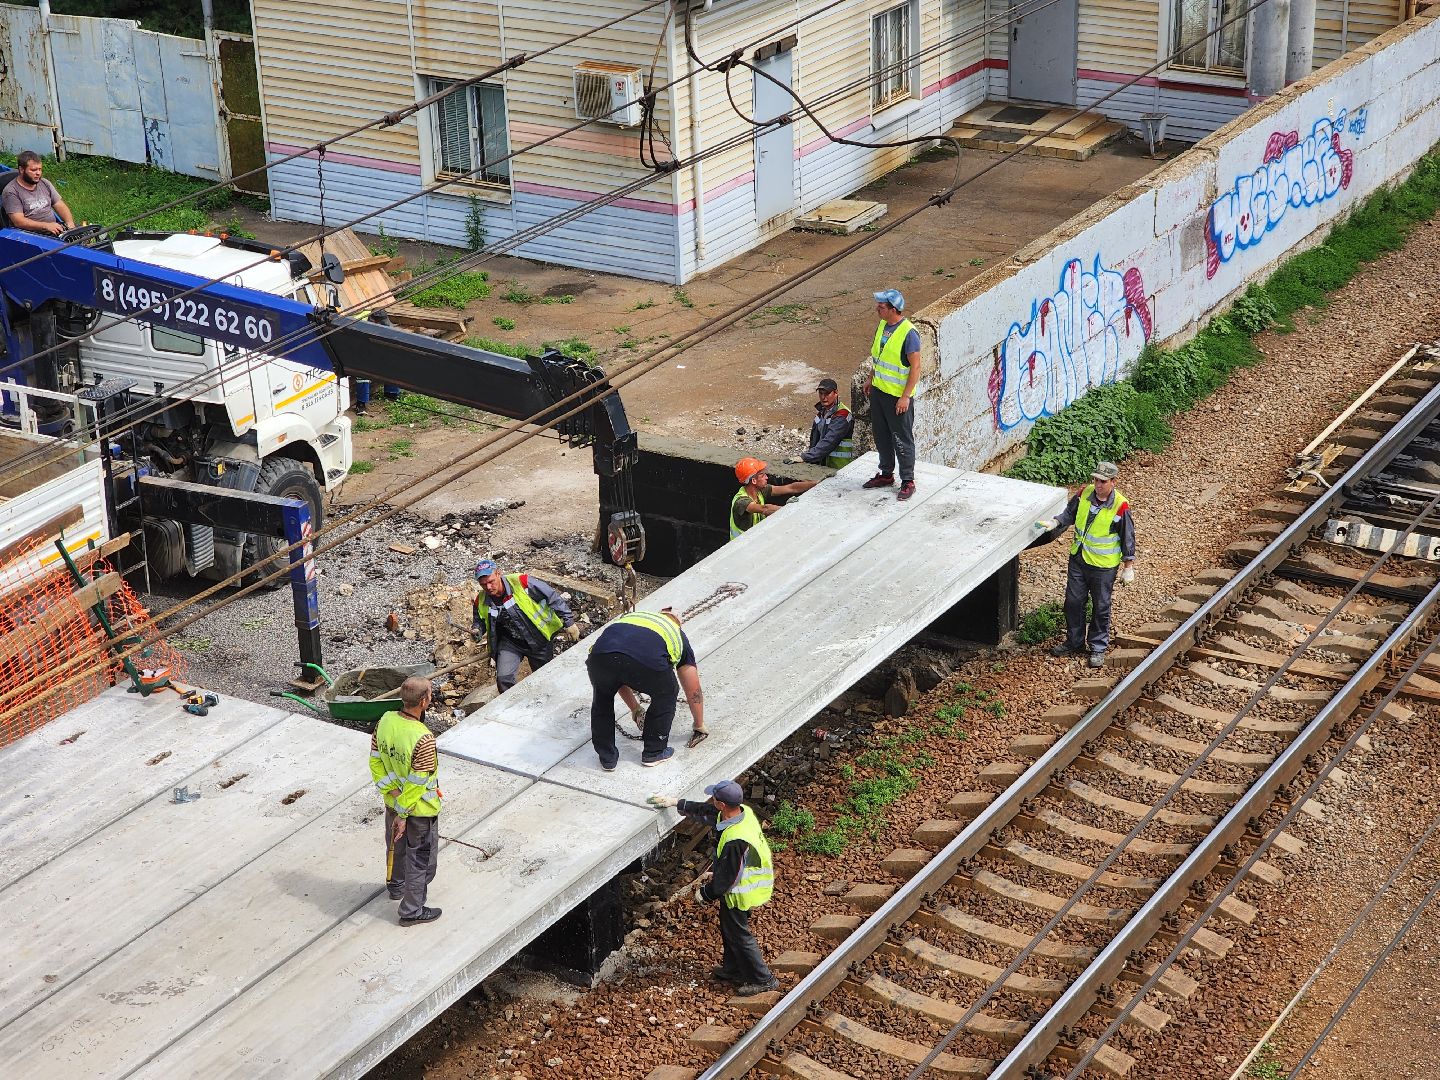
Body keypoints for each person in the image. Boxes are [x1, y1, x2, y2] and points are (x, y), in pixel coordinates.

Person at [649, 780, 778, 996]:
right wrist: (676, 803)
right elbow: (706, 811)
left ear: (722, 804)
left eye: (715, 798)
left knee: (739, 934)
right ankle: (733, 968)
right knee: (730, 930)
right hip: (738, 888)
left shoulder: (735, 839)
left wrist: (706, 893)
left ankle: (764, 980)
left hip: (741, 892)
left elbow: (729, 878)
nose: (713, 801)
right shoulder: (741, 813)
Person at [1034, 461, 1137, 668]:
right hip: (1079, 559)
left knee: (1100, 606)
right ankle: (1074, 641)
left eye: (1103, 481)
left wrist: (1128, 566)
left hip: (1103, 566)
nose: (1098, 485)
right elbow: (1069, 513)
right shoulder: (1084, 493)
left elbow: (1128, 537)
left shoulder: (1120, 506)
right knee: (1073, 602)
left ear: (1113, 482)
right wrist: (1055, 522)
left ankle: (1098, 647)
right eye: (1096, 480)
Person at [588, 607, 705, 770]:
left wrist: (635, 709)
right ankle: (654, 752)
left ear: (661, 612)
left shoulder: (634, 617)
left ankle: (607, 757)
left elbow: (619, 675)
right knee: (667, 692)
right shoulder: (676, 633)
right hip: (646, 663)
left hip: (600, 657)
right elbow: (693, 690)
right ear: (679, 622)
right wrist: (699, 724)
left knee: (602, 699)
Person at [370, 677, 443, 925]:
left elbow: (375, 762)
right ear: (424, 702)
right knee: (422, 863)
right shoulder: (423, 738)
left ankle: (396, 886)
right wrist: (403, 814)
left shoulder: (384, 722)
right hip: (419, 813)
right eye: (430, 695)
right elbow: (418, 782)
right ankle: (412, 911)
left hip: (392, 805)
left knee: (396, 848)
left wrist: (392, 796)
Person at [472, 558, 578, 693]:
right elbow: (479, 619)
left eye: (491, 582)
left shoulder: (521, 582)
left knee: (544, 677)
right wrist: (477, 629)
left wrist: (568, 621)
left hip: (538, 640)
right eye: (483, 584)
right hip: (510, 643)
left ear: (498, 573)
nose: (488, 587)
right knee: (504, 678)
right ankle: (514, 708)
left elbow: (551, 596)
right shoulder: (481, 600)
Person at [860, 288, 923, 501]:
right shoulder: (882, 326)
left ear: (893, 309)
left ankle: (908, 481)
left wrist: (905, 397)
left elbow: (915, 368)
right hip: (879, 392)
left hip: (897, 397)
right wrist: (871, 377)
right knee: (881, 435)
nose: (877, 309)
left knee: (901, 438)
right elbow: (878, 357)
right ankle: (886, 474)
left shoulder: (909, 333)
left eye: (882, 306)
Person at [730, 458, 817, 542]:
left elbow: (791, 488)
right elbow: (765, 509)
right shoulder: (741, 501)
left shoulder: (760, 490)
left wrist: (816, 483)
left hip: (753, 540)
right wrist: (787, 509)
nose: (766, 477)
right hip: (740, 547)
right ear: (753, 480)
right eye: (762, 475)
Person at [1, 151, 74, 237]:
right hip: (29, 236)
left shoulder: (44, 183)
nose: (38, 173)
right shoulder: (11, 191)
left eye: (40, 169)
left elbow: (60, 205)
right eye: (33, 170)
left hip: (54, 230)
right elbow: (19, 221)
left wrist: (70, 223)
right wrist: (46, 226)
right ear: (21, 170)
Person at [800, 378, 854, 469]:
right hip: (824, 466)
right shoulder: (821, 414)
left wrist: (805, 457)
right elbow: (814, 440)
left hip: (839, 468)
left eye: (827, 394)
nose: (823, 397)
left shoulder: (843, 414)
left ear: (836, 393)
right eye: (821, 393)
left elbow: (829, 441)